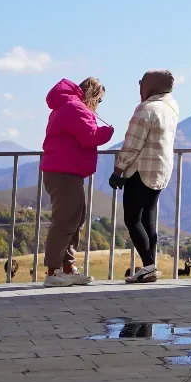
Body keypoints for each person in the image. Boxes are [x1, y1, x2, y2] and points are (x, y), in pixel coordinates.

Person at [41, 77, 113, 286]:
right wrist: (108, 132)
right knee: (66, 221)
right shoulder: (75, 108)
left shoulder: (66, 106)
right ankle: (54, 272)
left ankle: (67, 268)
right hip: (65, 172)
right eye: (99, 100)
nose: (98, 105)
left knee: (74, 218)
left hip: (64, 170)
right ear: (94, 94)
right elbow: (90, 136)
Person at [109, 70, 178, 284]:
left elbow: (132, 143)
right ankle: (151, 264)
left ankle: (148, 266)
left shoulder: (146, 108)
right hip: (160, 170)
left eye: (142, 83)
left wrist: (118, 170)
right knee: (149, 217)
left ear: (150, 85)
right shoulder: (171, 106)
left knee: (133, 219)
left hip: (140, 170)